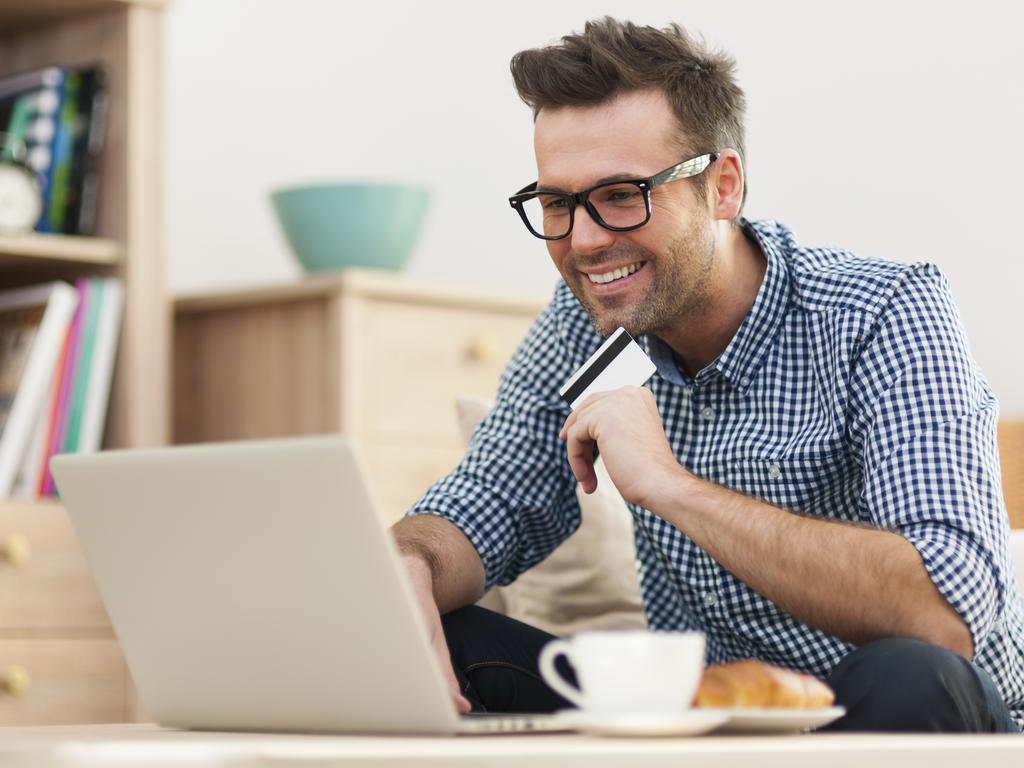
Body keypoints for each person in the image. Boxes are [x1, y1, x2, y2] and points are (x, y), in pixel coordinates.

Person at [391, 17, 1023, 732]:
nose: (587, 241)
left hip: (906, 713)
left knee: (911, 673)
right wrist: (408, 560)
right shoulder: (586, 324)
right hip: (705, 730)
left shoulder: (884, 311)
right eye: (559, 204)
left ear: (723, 187)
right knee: (444, 636)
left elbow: (947, 612)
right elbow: (490, 500)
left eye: (624, 193)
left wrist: (670, 485)